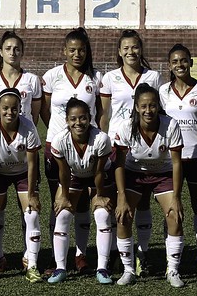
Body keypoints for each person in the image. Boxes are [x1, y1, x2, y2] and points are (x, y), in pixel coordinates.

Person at [99, 29, 165, 276]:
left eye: (135, 47)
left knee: (143, 200)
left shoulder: (153, 76)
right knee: (119, 202)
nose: (130, 52)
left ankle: (143, 252)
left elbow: (161, 112)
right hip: (118, 146)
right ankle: (119, 253)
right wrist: (104, 144)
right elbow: (104, 115)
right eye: (125, 48)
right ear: (119, 51)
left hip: (144, 147)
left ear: (141, 49)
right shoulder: (110, 78)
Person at [40, 27, 103, 274]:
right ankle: (59, 259)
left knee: (85, 204)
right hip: (56, 149)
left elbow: (101, 111)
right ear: (64, 51)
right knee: (60, 201)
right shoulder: (52, 76)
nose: (77, 54)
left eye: (82, 50)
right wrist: (59, 135)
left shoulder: (95, 78)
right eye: (72, 50)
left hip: (87, 148)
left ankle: (81, 255)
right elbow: (45, 110)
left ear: (87, 52)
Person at [159, 44, 197, 279]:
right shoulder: (163, 91)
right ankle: (171, 262)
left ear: (190, 62)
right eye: (175, 61)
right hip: (170, 160)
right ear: (169, 65)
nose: (179, 65)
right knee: (171, 210)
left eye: (183, 60)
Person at [113, 83, 185, 288]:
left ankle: (172, 270)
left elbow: (177, 162)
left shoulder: (170, 125)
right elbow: (118, 163)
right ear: (136, 107)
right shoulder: (126, 127)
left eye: (152, 105)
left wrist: (177, 197)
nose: (148, 110)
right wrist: (121, 196)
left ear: (158, 106)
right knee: (123, 215)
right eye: (143, 106)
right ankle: (128, 270)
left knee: (175, 215)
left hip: (163, 174)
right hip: (134, 175)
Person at [0, 31, 42, 271]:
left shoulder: (32, 80)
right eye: (8, 48)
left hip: (23, 146)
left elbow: (35, 115)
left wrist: (24, 135)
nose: (13, 52)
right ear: (1, 52)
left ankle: (30, 256)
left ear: (22, 52)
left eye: (17, 48)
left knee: (28, 208)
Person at [0, 88, 42, 283]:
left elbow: (32, 164)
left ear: (20, 108)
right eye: (5, 108)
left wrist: (31, 194)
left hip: (23, 174)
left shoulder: (28, 127)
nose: (9, 112)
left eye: (14, 108)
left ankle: (32, 264)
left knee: (32, 213)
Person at [47, 98, 114, 285]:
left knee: (102, 214)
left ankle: (102, 268)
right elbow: (63, 171)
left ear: (90, 118)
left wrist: (99, 196)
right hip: (74, 175)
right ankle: (60, 268)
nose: (78, 123)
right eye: (73, 119)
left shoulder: (101, 139)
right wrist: (65, 197)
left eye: (83, 118)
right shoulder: (60, 140)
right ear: (67, 120)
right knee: (62, 215)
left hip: (98, 177)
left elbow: (99, 171)